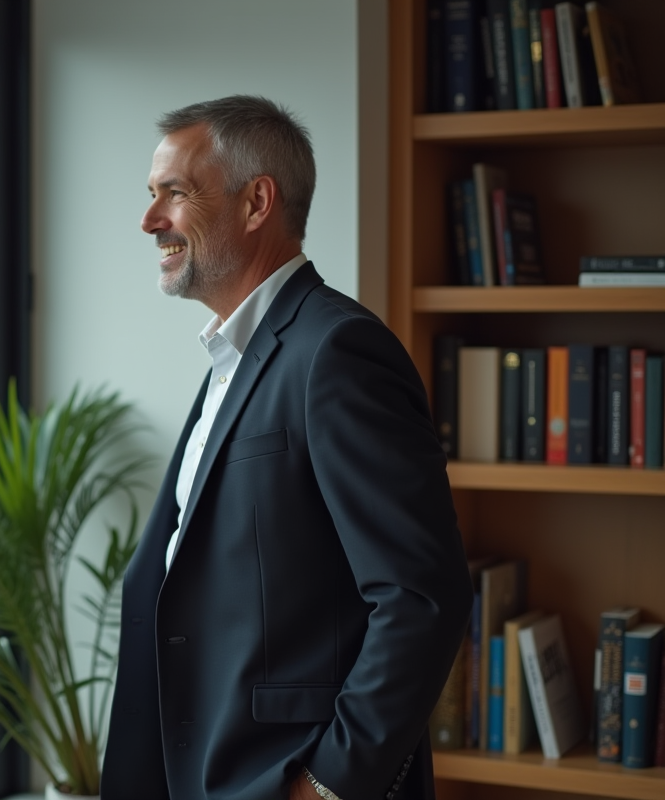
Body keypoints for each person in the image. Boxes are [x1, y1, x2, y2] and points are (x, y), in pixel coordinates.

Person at [101, 96, 473, 800]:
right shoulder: (233, 359)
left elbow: (422, 596)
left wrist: (327, 785)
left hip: (278, 777)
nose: (150, 221)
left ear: (256, 202)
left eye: (174, 194)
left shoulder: (337, 351)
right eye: (152, 198)